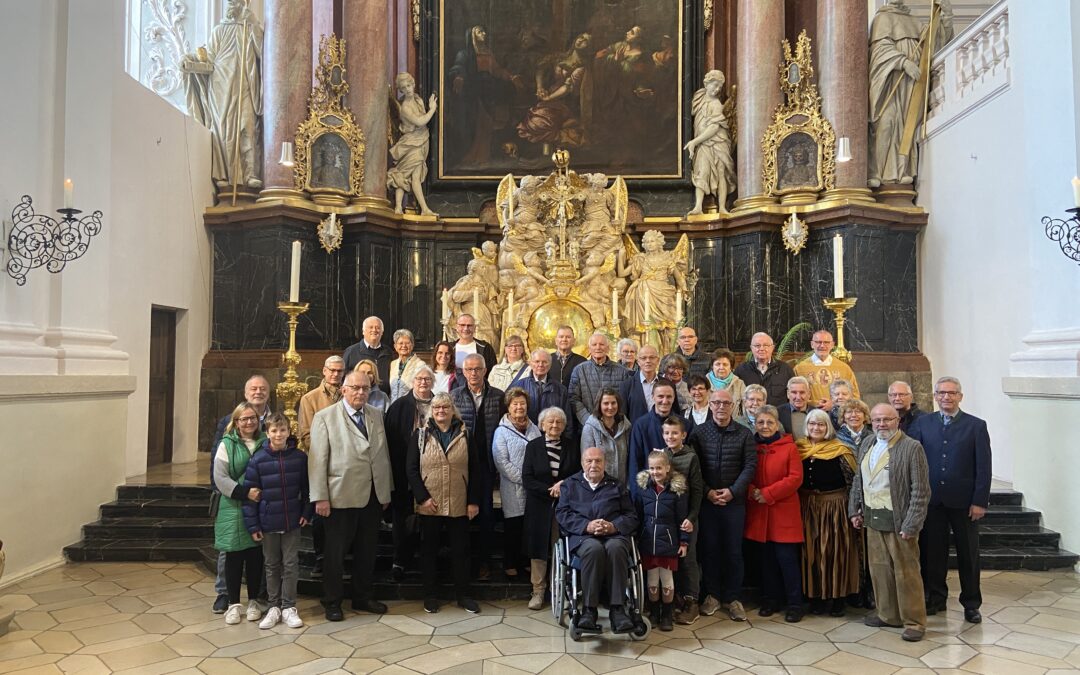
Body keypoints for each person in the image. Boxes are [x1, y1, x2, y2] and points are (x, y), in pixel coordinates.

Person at [308, 370, 393, 621]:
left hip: (373, 496)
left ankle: (362, 596)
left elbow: (382, 454)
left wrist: (385, 490)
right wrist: (320, 497)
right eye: (355, 388)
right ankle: (332, 601)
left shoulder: (376, 415)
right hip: (339, 497)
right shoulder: (325, 417)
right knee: (335, 554)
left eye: (365, 388)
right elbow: (317, 460)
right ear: (343, 389)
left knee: (367, 551)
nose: (360, 392)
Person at [908, 376, 992, 624]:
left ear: (960, 396)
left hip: (965, 502)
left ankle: (971, 603)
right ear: (935, 396)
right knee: (933, 554)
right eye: (941, 393)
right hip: (932, 502)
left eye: (951, 393)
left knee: (969, 554)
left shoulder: (976, 426)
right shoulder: (923, 424)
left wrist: (980, 501)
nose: (946, 397)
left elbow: (984, 467)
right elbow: (915, 461)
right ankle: (935, 598)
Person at [849, 403, 930, 642]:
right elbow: (858, 479)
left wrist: (912, 523)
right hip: (873, 518)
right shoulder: (867, 444)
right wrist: (855, 509)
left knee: (906, 572)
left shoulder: (911, 447)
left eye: (887, 419)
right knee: (880, 569)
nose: (881, 424)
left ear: (898, 421)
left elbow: (921, 490)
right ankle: (888, 614)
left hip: (899, 521)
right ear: (870, 422)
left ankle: (914, 621)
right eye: (876, 420)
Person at [406, 392, 482, 614]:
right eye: (437, 408)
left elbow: (476, 470)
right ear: (432, 410)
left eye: (445, 408)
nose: (441, 411)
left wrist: (473, 501)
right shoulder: (420, 435)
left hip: (459, 502)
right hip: (430, 503)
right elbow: (411, 469)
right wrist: (423, 498)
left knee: (461, 551)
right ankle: (430, 596)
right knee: (428, 551)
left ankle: (464, 595)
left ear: (452, 410)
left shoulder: (466, 434)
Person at [688, 387, 756, 621]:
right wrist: (707, 493)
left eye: (725, 403)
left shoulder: (744, 433)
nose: (720, 407)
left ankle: (733, 598)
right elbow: (693, 468)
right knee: (710, 550)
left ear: (733, 406)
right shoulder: (699, 433)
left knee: (734, 551)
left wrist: (733, 491)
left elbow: (750, 466)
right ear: (710, 404)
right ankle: (713, 596)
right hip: (708, 503)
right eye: (716, 403)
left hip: (734, 503)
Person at [556, 447, 640, 634]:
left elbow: (631, 516)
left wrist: (613, 526)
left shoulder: (616, 486)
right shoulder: (570, 485)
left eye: (598, 461)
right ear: (582, 463)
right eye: (589, 461)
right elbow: (562, 514)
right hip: (583, 537)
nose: (594, 465)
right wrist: (587, 526)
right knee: (594, 549)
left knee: (617, 548)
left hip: (613, 536)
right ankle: (588, 610)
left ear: (605, 463)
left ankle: (617, 610)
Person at [180, 0, 263, 192]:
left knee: (247, 127)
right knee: (224, 130)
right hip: (221, 86)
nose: (232, 5)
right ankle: (225, 174)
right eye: (230, 2)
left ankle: (249, 174)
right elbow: (207, 57)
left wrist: (252, 23)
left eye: (236, 2)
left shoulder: (248, 27)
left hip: (244, 85)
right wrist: (191, 59)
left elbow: (262, 51)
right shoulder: (218, 30)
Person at [242, 413, 312, 629]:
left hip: (292, 519)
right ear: (267, 433)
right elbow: (251, 493)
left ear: (289, 432)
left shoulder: (299, 458)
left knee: (290, 564)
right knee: (272, 565)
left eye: (282, 430)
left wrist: (306, 512)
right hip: (268, 520)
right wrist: (253, 524)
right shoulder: (258, 459)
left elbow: (307, 489)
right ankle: (274, 606)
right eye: (274, 430)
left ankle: (289, 606)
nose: (278, 434)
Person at [209, 374, 271, 613]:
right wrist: (226, 490)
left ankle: (258, 595)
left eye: (263, 388)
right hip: (234, 500)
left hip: (261, 501)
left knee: (258, 551)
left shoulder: (269, 427)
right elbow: (218, 466)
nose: (258, 392)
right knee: (230, 549)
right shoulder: (227, 428)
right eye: (253, 388)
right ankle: (225, 594)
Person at [797, 409, 861, 617]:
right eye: (812, 424)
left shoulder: (841, 451)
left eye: (821, 424)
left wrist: (854, 511)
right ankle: (816, 596)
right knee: (811, 552)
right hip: (807, 507)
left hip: (835, 508)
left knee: (835, 552)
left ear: (828, 427)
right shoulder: (799, 449)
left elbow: (853, 484)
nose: (816, 428)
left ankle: (837, 598)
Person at [746, 405, 805, 623]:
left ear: (777, 424)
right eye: (761, 422)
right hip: (759, 511)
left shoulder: (789, 447)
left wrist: (768, 493)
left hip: (782, 511)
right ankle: (770, 600)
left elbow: (795, 478)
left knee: (787, 560)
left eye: (769, 422)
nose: (765, 426)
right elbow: (744, 471)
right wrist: (752, 491)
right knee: (766, 561)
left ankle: (795, 604)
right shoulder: (751, 445)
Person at [450, 353, 506, 579]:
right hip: (461, 464)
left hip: (486, 463)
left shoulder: (498, 397)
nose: (473, 373)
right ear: (464, 372)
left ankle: (484, 562)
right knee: (460, 515)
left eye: (477, 369)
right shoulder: (454, 396)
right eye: (469, 369)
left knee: (486, 516)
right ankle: (461, 565)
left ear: (485, 371)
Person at [522, 407, 580, 610]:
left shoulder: (573, 446)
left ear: (564, 426)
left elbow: (578, 474)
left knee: (561, 548)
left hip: (565, 506)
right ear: (542, 425)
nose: (554, 426)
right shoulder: (533, 446)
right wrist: (551, 490)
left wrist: (562, 486)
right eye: (550, 422)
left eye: (559, 422)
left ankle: (559, 588)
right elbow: (527, 478)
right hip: (539, 505)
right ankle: (538, 591)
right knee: (538, 550)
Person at [384, 366, 436, 582]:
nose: (423, 382)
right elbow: (389, 440)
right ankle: (400, 560)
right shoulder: (399, 406)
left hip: (433, 472)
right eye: (419, 379)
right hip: (404, 472)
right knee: (403, 518)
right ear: (412, 381)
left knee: (429, 519)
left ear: (433, 382)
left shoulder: (440, 404)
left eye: (427, 379)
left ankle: (427, 561)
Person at [868, 0, 924, 187]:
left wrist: (945, 15)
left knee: (906, 126)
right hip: (889, 81)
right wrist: (903, 62)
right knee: (886, 123)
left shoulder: (914, 21)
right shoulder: (882, 18)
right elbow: (879, 51)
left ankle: (901, 171)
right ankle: (878, 172)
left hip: (908, 85)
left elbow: (934, 43)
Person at [634, 450, 689, 631]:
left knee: (666, 578)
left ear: (667, 468)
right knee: (651, 577)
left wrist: (684, 541)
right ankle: (654, 610)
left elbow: (683, 519)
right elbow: (638, 515)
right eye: (652, 468)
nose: (655, 472)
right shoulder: (643, 489)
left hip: (668, 539)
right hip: (648, 540)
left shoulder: (676, 490)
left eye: (659, 468)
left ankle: (667, 612)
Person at [660, 417, 705, 626]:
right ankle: (675, 598)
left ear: (683, 435)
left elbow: (697, 490)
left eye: (675, 433)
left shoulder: (691, 457)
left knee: (689, 559)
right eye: (667, 433)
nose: (671, 437)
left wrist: (692, 517)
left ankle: (692, 600)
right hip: (667, 518)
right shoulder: (661, 456)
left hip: (686, 518)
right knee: (672, 558)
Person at [493, 387, 542, 578]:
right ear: (508, 407)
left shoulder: (535, 429)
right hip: (513, 487)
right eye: (515, 404)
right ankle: (510, 563)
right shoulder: (501, 431)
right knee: (513, 527)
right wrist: (525, 479)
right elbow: (501, 462)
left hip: (533, 489)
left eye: (522, 403)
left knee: (528, 527)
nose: (519, 407)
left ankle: (525, 561)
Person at [685, 69, 735, 215]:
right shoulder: (699, 98)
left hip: (718, 142)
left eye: (719, 87)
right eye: (715, 85)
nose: (717, 89)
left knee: (721, 173)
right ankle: (698, 207)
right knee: (702, 171)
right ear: (706, 84)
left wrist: (694, 142)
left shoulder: (716, 105)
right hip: (703, 142)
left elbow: (714, 128)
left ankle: (723, 208)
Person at [388, 72, 438, 216]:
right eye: (404, 88)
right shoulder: (405, 108)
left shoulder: (418, 100)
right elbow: (421, 121)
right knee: (407, 174)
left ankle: (400, 207)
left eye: (409, 85)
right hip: (411, 143)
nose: (408, 89)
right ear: (401, 90)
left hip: (420, 140)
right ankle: (423, 209)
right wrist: (433, 108)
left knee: (405, 174)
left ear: (414, 84)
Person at [627, 379, 680, 487]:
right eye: (660, 396)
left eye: (669, 397)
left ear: (674, 398)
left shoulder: (684, 425)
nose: (665, 401)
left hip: (676, 491)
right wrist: (638, 495)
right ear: (653, 397)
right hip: (648, 489)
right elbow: (635, 462)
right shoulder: (640, 425)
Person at [569, 332, 630, 426]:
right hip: (588, 426)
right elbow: (574, 398)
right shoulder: (579, 370)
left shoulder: (622, 371)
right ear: (589, 348)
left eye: (601, 344)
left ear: (608, 348)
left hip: (615, 427)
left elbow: (625, 400)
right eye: (594, 344)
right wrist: (588, 421)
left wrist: (615, 422)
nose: (598, 347)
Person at [795, 330, 861, 411]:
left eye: (826, 342)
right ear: (812, 344)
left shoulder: (844, 368)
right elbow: (793, 395)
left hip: (838, 414)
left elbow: (854, 395)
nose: (822, 346)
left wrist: (834, 404)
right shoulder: (800, 368)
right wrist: (815, 404)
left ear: (832, 345)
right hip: (810, 413)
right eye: (818, 342)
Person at [516, 349, 575, 437]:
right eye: (537, 361)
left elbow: (567, 420)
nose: (540, 365)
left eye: (544, 362)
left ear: (550, 365)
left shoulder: (560, 389)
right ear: (531, 364)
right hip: (526, 437)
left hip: (553, 438)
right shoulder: (520, 386)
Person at [580, 388, 632, 485]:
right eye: (606, 403)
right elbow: (586, 461)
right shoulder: (590, 428)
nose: (610, 407)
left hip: (622, 486)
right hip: (599, 487)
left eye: (613, 403)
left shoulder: (626, 426)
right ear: (599, 405)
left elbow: (629, 458)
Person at [733, 332, 797, 407]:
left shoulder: (785, 369)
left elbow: (793, 395)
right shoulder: (741, 370)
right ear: (751, 348)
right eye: (757, 346)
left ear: (772, 347)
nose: (762, 349)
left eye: (766, 345)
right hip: (750, 417)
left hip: (778, 417)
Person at [298, 357, 344, 450]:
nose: (336, 374)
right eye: (332, 370)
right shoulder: (309, 399)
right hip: (321, 454)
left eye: (339, 371)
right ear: (324, 371)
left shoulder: (349, 396)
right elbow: (306, 435)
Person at [343, 316, 395, 393]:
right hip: (359, 397)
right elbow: (343, 377)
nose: (374, 330)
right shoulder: (351, 351)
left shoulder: (388, 352)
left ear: (382, 332)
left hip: (383, 399)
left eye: (377, 328)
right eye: (370, 327)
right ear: (363, 331)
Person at [619, 344, 661, 423]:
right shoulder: (626, 385)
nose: (648, 361)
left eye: (651, 357)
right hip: (636, 433)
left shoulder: (667, 384)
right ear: (638, 361)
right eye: (643, 358)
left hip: (662, 433)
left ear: (658, 360)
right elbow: (622, 415)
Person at [388, 329, 427, 403]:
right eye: (400, 343)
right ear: (395, 346)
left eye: (407, 343)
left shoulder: (420, 365)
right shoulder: (392, 364)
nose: (404, 346)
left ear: (412, 345)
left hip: (411, 406)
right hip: (393, 406)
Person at [708, 348, 745, 417]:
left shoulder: (739, 384)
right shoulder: (704, 383)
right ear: (712, 366)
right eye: (717, 364)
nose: (721, 367)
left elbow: (745, 408)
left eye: (725, 364)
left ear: (731, 367)